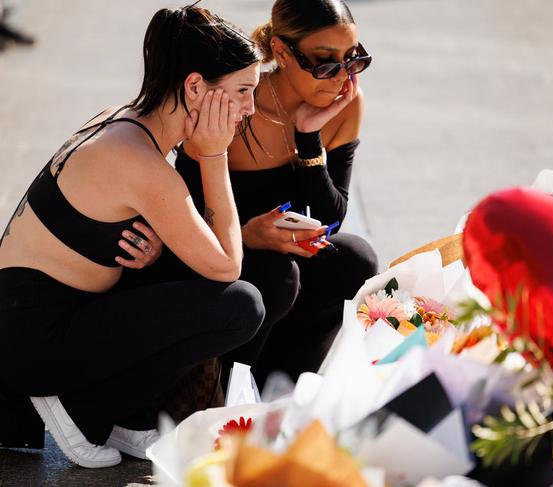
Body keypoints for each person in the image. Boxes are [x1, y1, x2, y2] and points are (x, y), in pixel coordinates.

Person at [0, 5, 264, 468]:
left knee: (192, 270)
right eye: (243, 91)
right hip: (32, 338)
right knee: (240, 306)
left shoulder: (127, 122)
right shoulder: (137, 158)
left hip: (41, 317)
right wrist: (215, 155)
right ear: (196, 86)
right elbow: (227, 265)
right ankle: (81, 412)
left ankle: (129, 417)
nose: (250, 108)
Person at [144, 0, 379, 391]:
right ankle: (220, 388)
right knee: (277, 272)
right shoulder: (236, 105)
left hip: (282, 266)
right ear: (283, 53)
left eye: (353, 60)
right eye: (324, 62)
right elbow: (182, 219)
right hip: (217, 261)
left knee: (356, 259)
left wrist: (308, 138)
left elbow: (331, 217)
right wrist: (250, 236)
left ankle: (281, 384)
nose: (341, 78)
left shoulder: (344, 106)